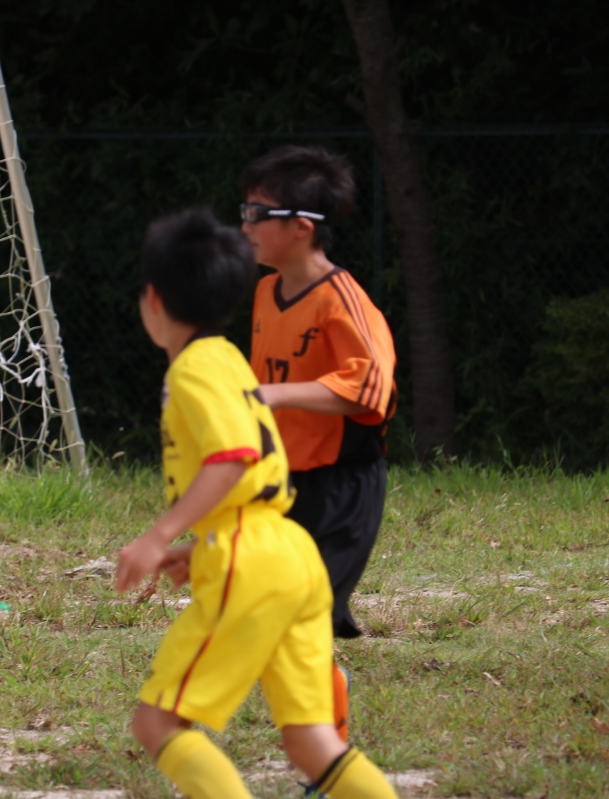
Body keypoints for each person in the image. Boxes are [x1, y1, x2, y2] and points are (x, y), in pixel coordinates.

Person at [115, 208, 398, 799]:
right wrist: (200, 546)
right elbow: (251, 477)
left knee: (156, 724)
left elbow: (234, 459)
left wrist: (158, 536)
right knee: (312, 743)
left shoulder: (194, 370)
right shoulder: (227, 359)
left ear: (153, 300)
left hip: (250, 560)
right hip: (288, 554)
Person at [240, 146, 398, 742]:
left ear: (302, 227)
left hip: (340, 487)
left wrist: (270, 396)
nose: (245, 225)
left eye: (257, 213)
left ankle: (326, 752)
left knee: (300, 620)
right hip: (280, 482)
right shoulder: (266, 293)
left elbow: (373, 388)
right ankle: (321, 736)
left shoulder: (341, 299)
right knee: (271, 618)